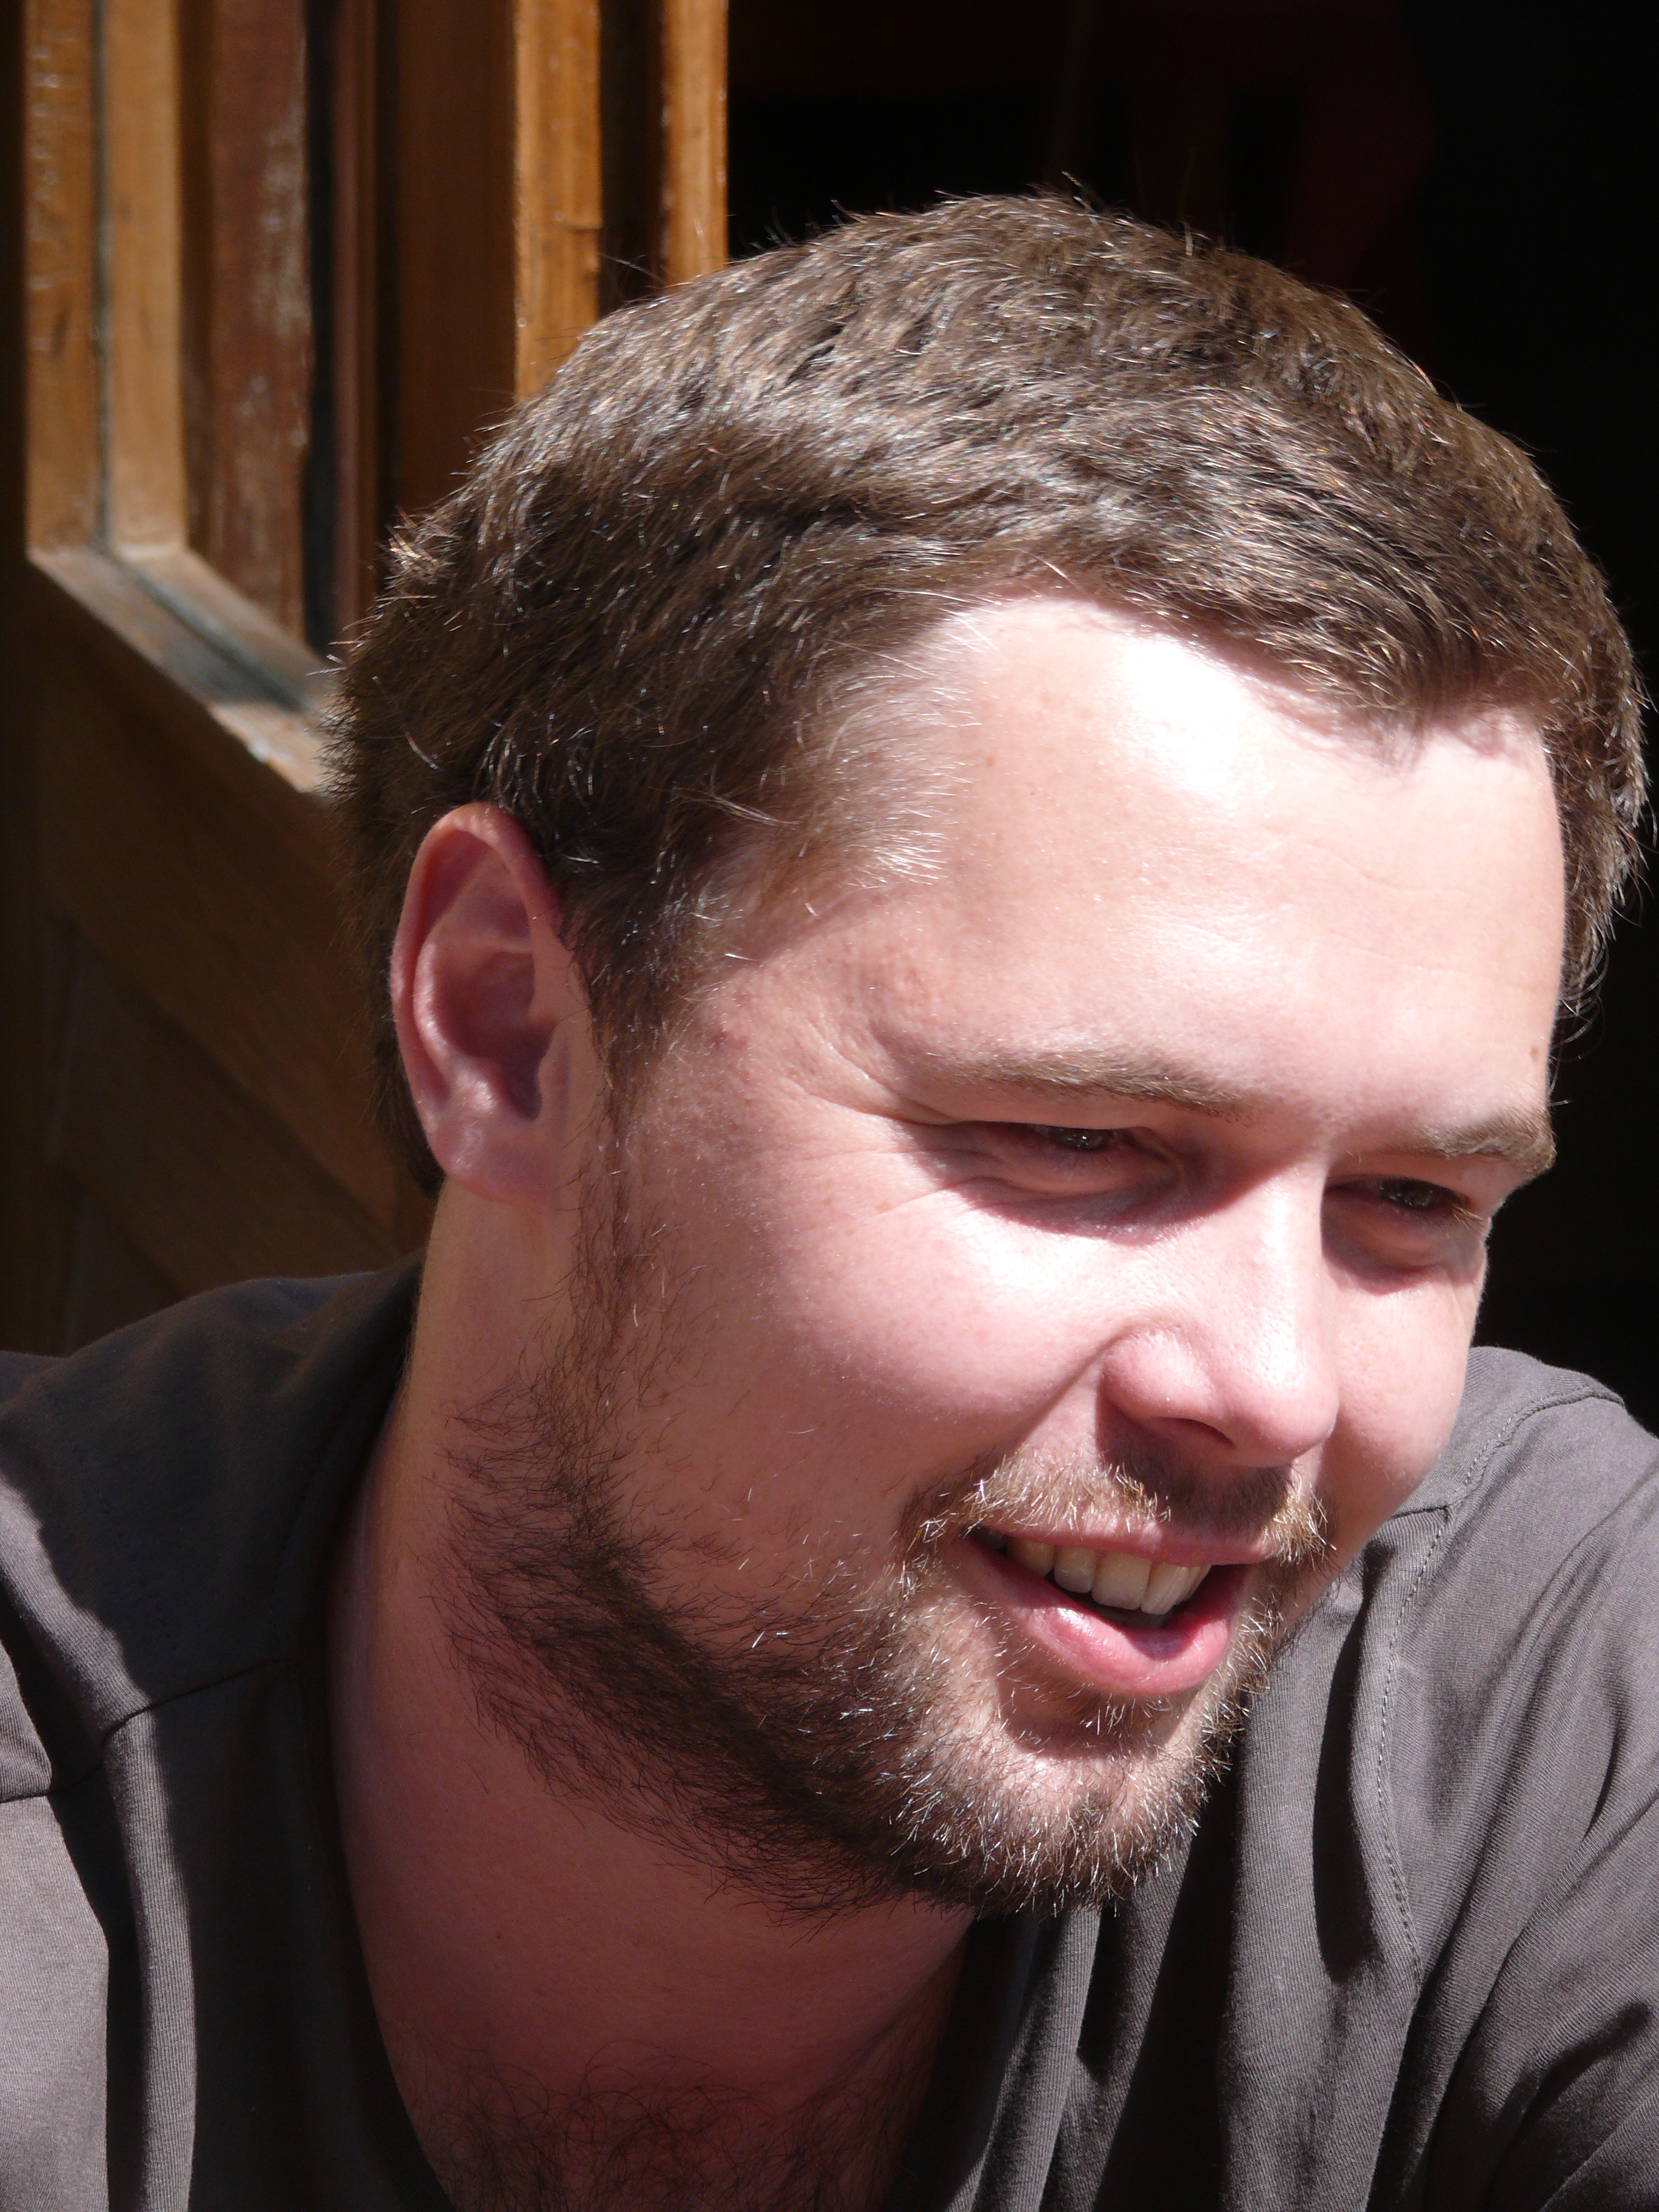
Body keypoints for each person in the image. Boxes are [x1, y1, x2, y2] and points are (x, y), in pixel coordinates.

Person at [2, 195, 1654, 2212]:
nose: (1280, 1390)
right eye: (1078, 1140)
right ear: (510, 1031)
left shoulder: (1532, 1701)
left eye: (1410, 1197)